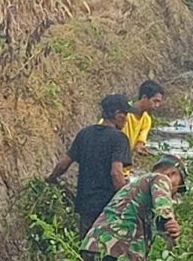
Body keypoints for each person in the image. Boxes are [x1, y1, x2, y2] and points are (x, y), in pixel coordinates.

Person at [80, 153, 187, 261]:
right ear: (172, 173)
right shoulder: (161, 178)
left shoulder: (135, 187)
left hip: (91, 247)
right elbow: (163, 204)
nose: (175, 194)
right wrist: (169, 220)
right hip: (119, 253)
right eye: (178, 187)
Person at [46, 94, 133, 236]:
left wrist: (51, 178)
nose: (127, 119)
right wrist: (128, 198)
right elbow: (116, 173)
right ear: (117, 115)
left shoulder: (85, 133)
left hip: (85, 204)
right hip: (107, 207)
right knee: (104, 246)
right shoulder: (119, 138)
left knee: (85, 244)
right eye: (126, 114)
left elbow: (64, 164)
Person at [124, 81, 165, 158]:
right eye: (155, 101)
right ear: (144, 97)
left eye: (159, 102)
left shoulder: (146, 120)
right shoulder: (123, 115)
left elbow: (139, 143)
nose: (157, 105)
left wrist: (141, 148)